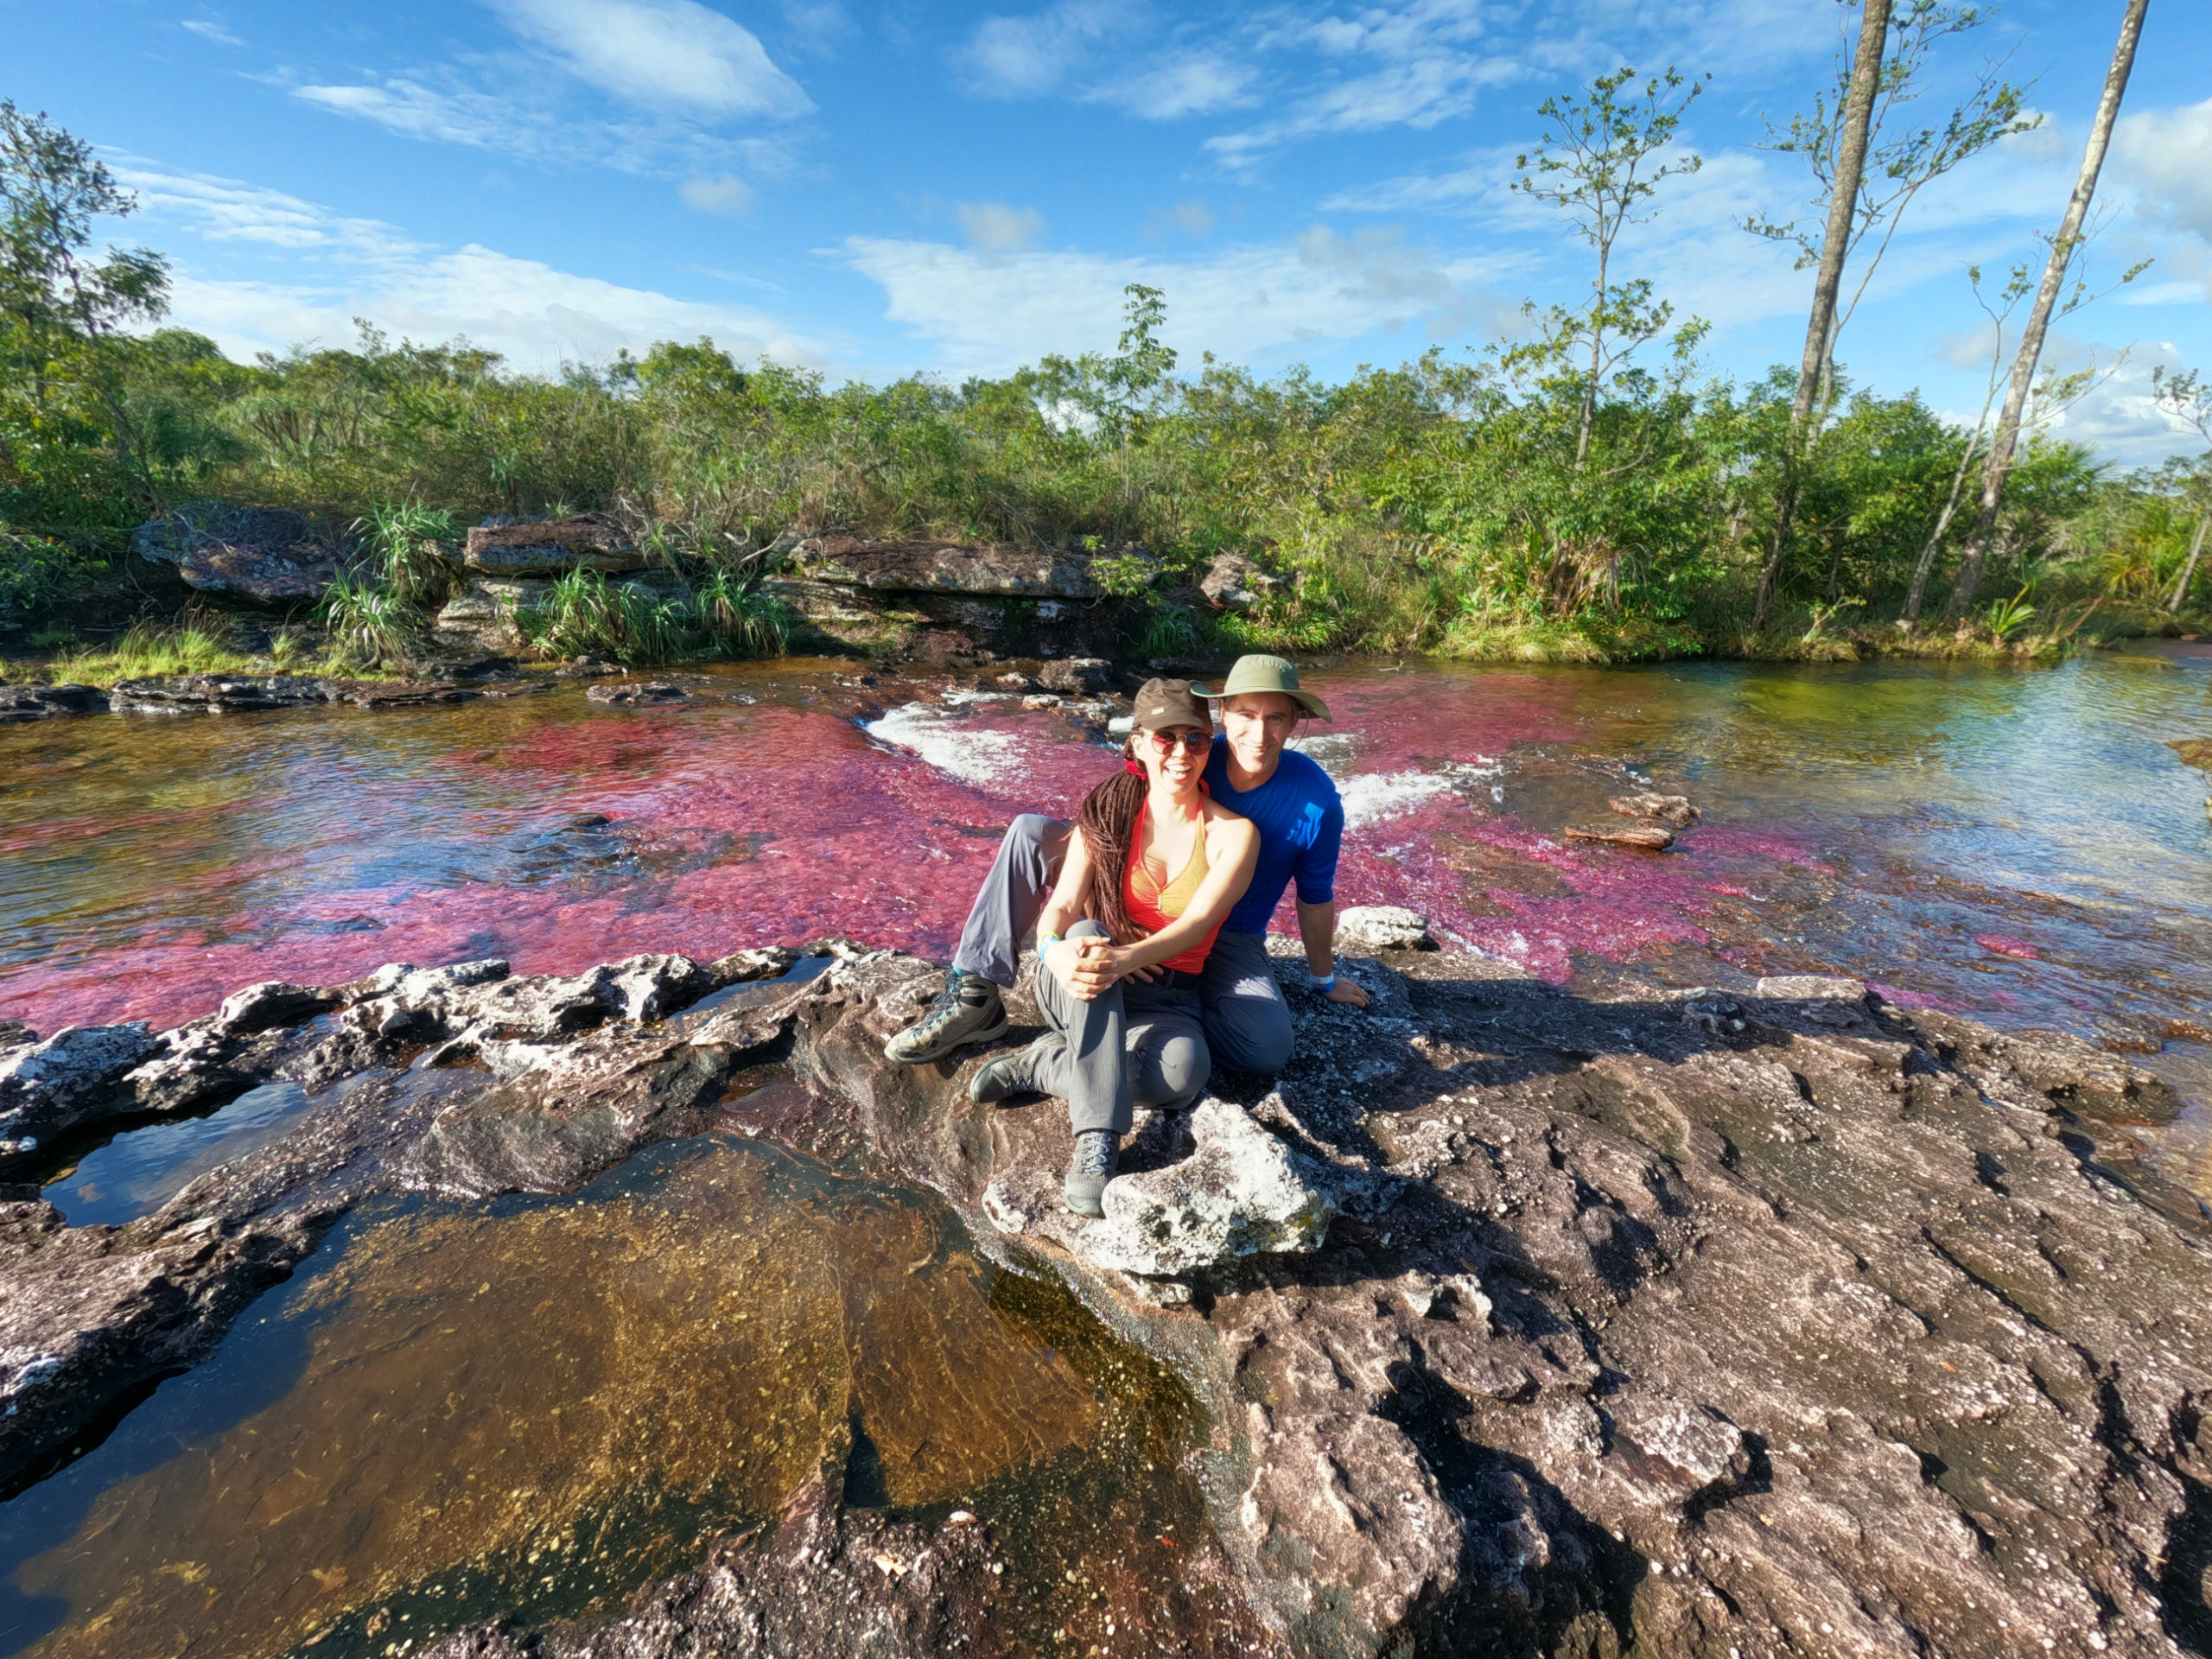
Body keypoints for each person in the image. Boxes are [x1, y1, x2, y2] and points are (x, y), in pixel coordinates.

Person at [886, 653, 1369, 1078]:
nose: (1259, 733)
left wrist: (1322, 979)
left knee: (1266, 1050)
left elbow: (1315, 894)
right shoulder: (1192, 749)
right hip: (1144, 896)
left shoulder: (1317, 800)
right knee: (1031, 832)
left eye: (1276, 718)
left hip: (1227, 932)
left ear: (1295, 721)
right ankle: (976, 989)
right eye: (1246, 715)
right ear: (1224, 714)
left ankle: (1158, 1027)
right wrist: (1111, 917)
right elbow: (1117, 821)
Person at [967, 679, 1259, 1214]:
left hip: (1168, 997)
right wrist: (1052, 949)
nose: (1181, 753)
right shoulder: (1107, 810)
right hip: (1081, 981)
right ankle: (1097, 1138)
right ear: (1139, 742)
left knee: (1182, 1074)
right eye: (1166, 738)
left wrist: (1130, 958)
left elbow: (1196, 927)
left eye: (1195, 740)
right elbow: (1061, 906)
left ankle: (1042, 1065)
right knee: (1087, 937)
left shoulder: (1234, 833)